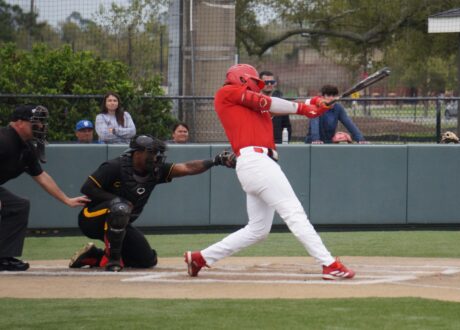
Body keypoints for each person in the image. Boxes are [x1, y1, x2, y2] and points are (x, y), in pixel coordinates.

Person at [184, 64, 355, 280]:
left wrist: (314, 103)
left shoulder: (249, 106)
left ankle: (201, 258)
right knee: (294, 212)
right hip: (257, 162)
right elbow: (268, 102)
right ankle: (329, 264)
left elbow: (275, 107)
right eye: (255, 82)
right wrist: (305, 108)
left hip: (257, 164)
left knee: (257, 229)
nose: (259, 87)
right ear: (242, 79)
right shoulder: (227, 92)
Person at [68, 135, 235, 272]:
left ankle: (93, 256)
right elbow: (87, 188)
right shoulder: (115, 166)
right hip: (91, 218)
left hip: (121, 222)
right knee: (121, 207)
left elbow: (186, 168)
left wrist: (215, 160)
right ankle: (113, 261)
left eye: (157, 153)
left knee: (147, 260)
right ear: (137, 153)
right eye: (152, 152)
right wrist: (116, 200)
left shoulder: (156, 170)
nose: (156, 157)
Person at [0, 105, 90, 271]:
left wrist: (67, 200)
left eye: (41, 122)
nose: (40, 126)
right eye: (35, 122)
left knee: (18, 205)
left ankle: (3, 258)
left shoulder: (25, 148)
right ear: (19, 123)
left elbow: (42, 177)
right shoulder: (4, 139)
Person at [259, 71, 292, 143]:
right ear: (259, 83)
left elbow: (286, 126)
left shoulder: (280, 102)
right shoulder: (253, 102)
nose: (269, 84)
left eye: (272, 82)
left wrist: (285, 143)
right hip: (258, 144)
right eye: (266, 82)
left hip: (277, 144)